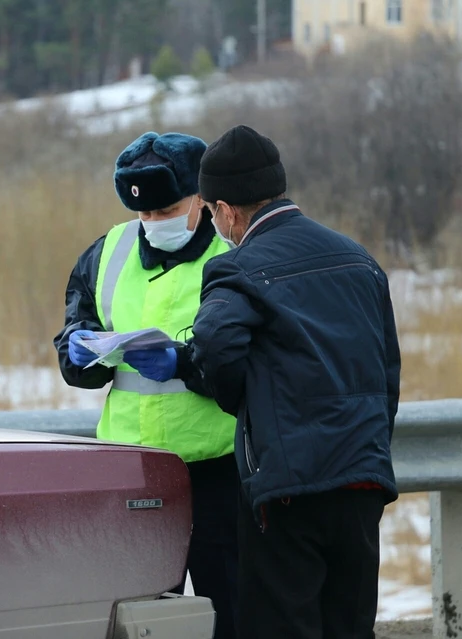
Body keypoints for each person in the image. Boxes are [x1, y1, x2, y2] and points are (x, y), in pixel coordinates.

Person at [131, 124, 400, 638]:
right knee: (348, 626)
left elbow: (214, 345)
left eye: (211, 211)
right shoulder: (358, 258)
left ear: (227, 210)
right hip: (362, 480)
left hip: (287, 489)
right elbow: (387, 369)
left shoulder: (239, 268)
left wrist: (243, 407)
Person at [53, 131, 239, 639]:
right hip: (135, 472)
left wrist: (185, 364)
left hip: (218, 473)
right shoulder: (108, 251)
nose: (155, 224)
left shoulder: (233, 254)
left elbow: (250, 363)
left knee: (231, 610)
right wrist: (79, 350)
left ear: (201, 198)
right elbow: (76, 331)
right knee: (143, 619)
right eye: (145, 216)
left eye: (168, 210)